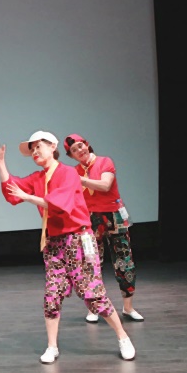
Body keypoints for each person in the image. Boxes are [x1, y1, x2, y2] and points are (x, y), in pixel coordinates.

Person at [0, 132, 135, 364]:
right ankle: (52, 346)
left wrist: (28, 197)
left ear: (52, 146)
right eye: (32, 149)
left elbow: (58, 204)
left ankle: (123, 337)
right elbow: (12, 190)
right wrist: (0, 163)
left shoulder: (68, 173)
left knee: (93, 294)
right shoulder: (38, 177)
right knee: (52, 295)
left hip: (78, 239)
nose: (35, 152)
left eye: (38, 146)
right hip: (54, 243)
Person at [63, 133, 143, 323]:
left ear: (87, 144)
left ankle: (128, 307)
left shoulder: (104, 162)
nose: (79, 151)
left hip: (114, 216)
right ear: (71, 156)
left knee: (124, 260)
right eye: (74, 150)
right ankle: (94, 308)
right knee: (91, 263)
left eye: (80, 146)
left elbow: (106, 185)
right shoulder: (74, 171)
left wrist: (80, 180)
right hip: (90, 220)